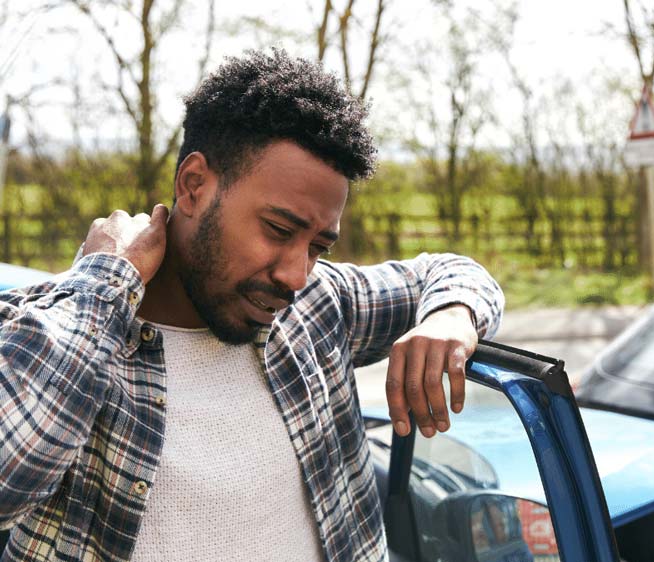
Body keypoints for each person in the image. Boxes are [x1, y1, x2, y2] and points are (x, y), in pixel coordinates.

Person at [0, 48, 504, 561]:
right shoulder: (50, 329)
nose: (296, 274)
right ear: (194, 186)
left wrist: (451, 316)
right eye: (279, 230)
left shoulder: (317, 307)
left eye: (318, 246)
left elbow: (453, 273)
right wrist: (107, 280)